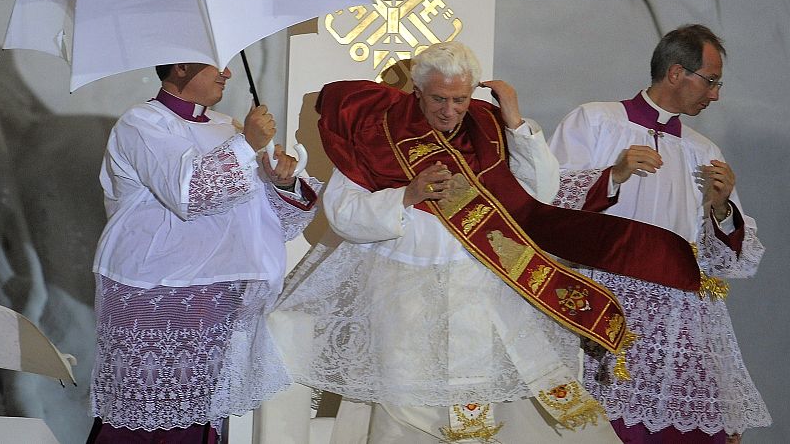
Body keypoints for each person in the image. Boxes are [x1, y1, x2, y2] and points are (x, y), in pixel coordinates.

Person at [271, 42, 629, 443]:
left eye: (460, 99)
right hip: (402, 292)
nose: (450, 110)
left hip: (480, 286)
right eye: (439, 99)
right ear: (417, 91)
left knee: (501, 398)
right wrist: (406, 194)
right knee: (407, 405)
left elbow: (541, 192)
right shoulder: (377, 132)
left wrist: (514, 119)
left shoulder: (488, 127)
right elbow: (342, 214)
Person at [549, 25, 771, 444]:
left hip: (679, 320)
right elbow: (545, 205)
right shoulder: (595, 121)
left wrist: (723, 209)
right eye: (710, 81)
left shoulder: (704, 151)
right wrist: (612, 176)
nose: (716, 94)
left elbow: (726, 263)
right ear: (675, 73)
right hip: (606, 306)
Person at [86, 62, 321, 443]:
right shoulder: (142, 123)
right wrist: (246, 145)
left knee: (200, 417)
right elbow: (188, 193)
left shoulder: (227, 126)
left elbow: (274, 218)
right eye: (218, 65)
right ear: (181, 66)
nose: (227, 74)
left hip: (216, 291)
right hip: (152, 290)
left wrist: (283, 181)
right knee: (135, 417)